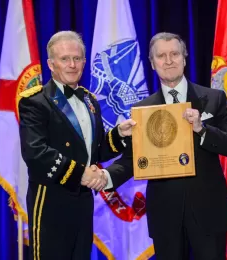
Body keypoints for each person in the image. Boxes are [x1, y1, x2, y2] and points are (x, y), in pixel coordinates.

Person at [103, 32, 227, 260]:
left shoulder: (214, 99)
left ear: (184, 58)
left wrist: (202, 130)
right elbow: (132, 160)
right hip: (165, 216)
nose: (168, 61)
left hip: (208, 214)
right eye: (161, 56)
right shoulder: (143, 110)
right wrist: (105, 177)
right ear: (152, 63)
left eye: (174, 54)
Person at [18, 30, 134, 260]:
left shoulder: (90, 100)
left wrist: (120, 135)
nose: (72, 65)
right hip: (51, 200)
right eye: (64, 59)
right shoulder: (35, 101)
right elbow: (35, 152)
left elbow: (95, 150)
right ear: (51, 64)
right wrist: (80, 174)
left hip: (82, 201)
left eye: (77, 58)